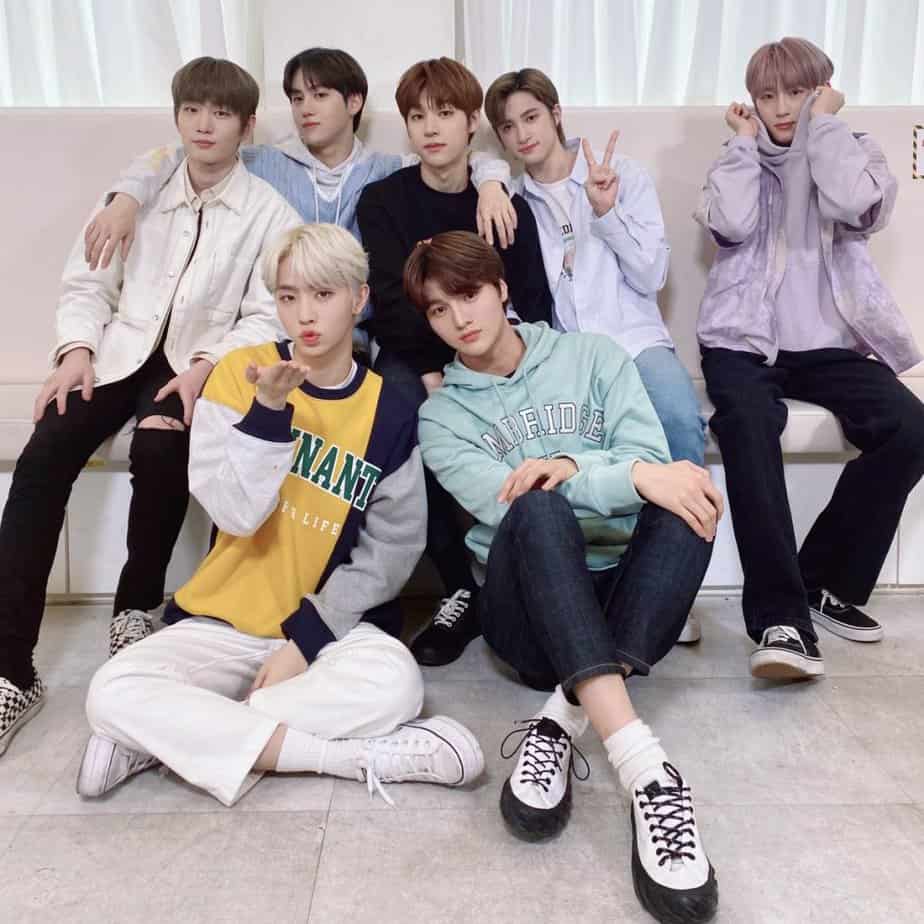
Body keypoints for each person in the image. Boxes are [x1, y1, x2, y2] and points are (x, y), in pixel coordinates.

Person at [77, 223, 484, 806]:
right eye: (289, 296)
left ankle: (168, 735)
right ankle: (352, 759)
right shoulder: (238, 374)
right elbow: (235, 514)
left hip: (329, 631)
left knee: (397, 684)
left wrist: (306, 640)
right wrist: (268, 412)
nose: (305, 314)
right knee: (110, 689)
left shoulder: (390, 410)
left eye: (323, 294)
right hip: (223, 622)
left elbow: (392, 550)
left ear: (359, 298)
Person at [408, 230, 720, 923]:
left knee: (688, 497)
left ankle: (562, 717)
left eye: (469, 294)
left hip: (617, 595)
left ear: (502, 289)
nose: (459, 318)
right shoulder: (441, 418)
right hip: (526, 614)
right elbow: (513, 501)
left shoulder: (594, 356)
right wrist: (618, 476)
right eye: (438, 309)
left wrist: (581, 467)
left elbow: (651, 462)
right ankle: (645, 770)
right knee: (538, 508)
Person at [0, 57, 303, 756]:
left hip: (194, 361)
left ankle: (134, 609)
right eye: (192, 110)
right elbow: (88, 283)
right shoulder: (136, 194)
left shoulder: (270, 213)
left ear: (247, 125)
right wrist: (76, 348)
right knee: (43, 458)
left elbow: (267, 314)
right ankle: (11, 668)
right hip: (115, 353)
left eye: (221, 113)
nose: (204, 124)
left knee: (162, 446)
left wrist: (207, 366)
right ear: (177, 117)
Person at [696, 36, 924, 680]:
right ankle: (781, 620)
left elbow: (854, 205)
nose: (781, 107)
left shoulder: (856, 152)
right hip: (741, 341)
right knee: (747, 423)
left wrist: (822, 127)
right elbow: (730, 225)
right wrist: (743, 146)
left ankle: (823, 580)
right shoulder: (737, 157)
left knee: (910, 428)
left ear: (821, 91)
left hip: (828, 346)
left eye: (796, 92)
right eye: (767, 95)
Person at [484, 67, 707, 644]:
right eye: (507, 127)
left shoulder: (622, 175)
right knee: (562, 446)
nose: (522, 134)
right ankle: (596, 588)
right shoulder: (511, 203)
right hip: (568, 355)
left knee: (680, 422)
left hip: (635, 341)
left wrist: (606, 213)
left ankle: (672, 589)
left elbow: (652, 274)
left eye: (532, 117)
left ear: (556, 114)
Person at [357, 58, 555, 667]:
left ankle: (536, 579)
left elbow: (532, 302)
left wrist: (484, 364)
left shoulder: (500, 203)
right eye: (417, 116)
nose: (430, 128)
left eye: (445, 113)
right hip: (412, 355)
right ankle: (460, 588)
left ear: (472, 122)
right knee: (400, 416)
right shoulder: (383, 201)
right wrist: (431, 370)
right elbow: (390, 305)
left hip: (492, 353)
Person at [83, 47, 516, 320]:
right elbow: (179, 154)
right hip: (274, 325)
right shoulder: (263, 162)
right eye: (296, 97)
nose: (305, 108)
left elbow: (454, 158)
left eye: (319, 95)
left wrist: (493, 184)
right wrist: (126, 198)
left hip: (357, 333)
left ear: (354, 102)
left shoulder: (386, 171)